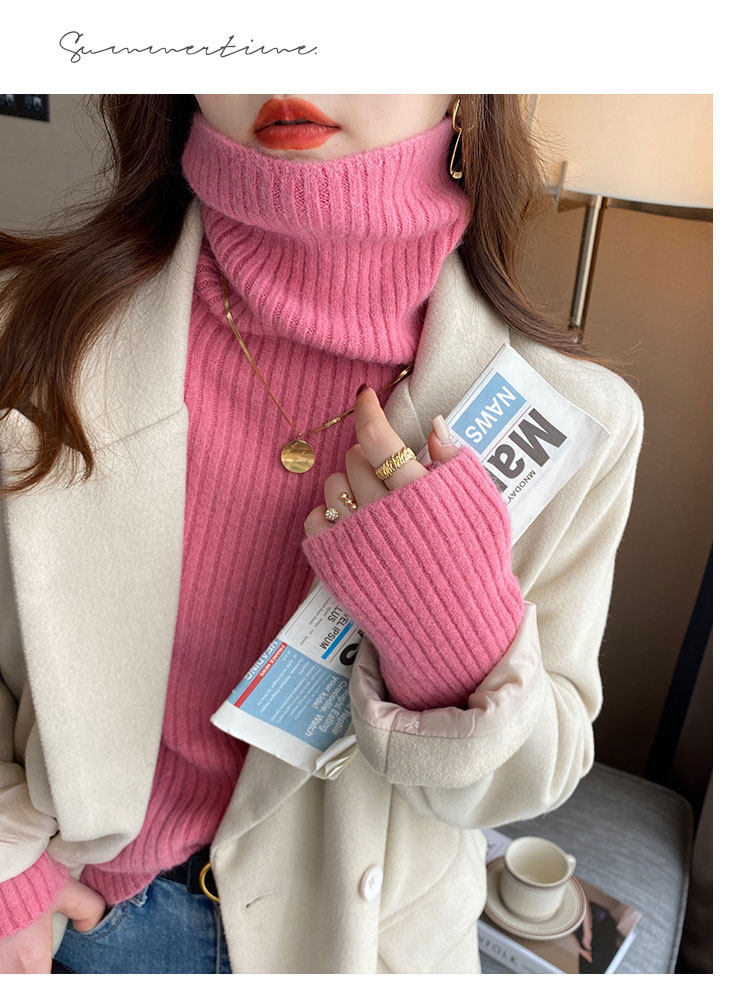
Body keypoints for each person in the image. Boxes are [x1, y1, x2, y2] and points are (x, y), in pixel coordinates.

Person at [0, 94, 643, 974]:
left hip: (359, 948)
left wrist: (460, 639)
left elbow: (541, 773)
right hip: (72, 913)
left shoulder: (576, 414)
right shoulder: (30, 330)